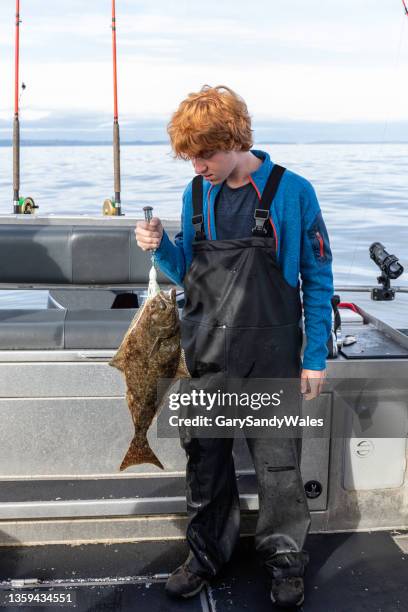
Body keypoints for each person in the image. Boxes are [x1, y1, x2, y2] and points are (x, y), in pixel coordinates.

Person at [135, 85, 334, 609]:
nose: (198, 165)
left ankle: (285, 556)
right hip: (205, 353)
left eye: (206, 154)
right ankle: (205, 554)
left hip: (270, 356)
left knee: (279, 468)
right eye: (190, 156)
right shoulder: (195, 193)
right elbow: (188, 274)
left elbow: (317, 278)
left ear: (236, 140)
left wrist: (314, 358)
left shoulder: (293, 192)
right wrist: (160, 249)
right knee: (205, 463)